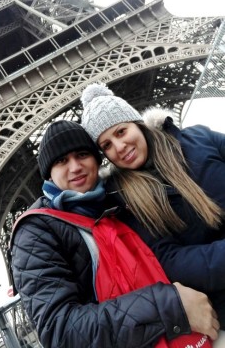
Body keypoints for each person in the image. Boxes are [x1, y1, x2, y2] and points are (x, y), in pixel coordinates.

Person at [10, 119, 218, 348]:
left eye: (82, 154)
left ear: (98, 160)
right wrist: (170, 305)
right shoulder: (34, 232)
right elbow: (61, 332)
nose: (75, 166)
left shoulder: (119, 200)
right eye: (61, 161)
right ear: (49, 174)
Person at [80, 82, 225, 330]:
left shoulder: (199, 137)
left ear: (136, 123)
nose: (119, 147)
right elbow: (170, 260)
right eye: (106, 146)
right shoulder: (123, 200)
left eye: (121, 132)